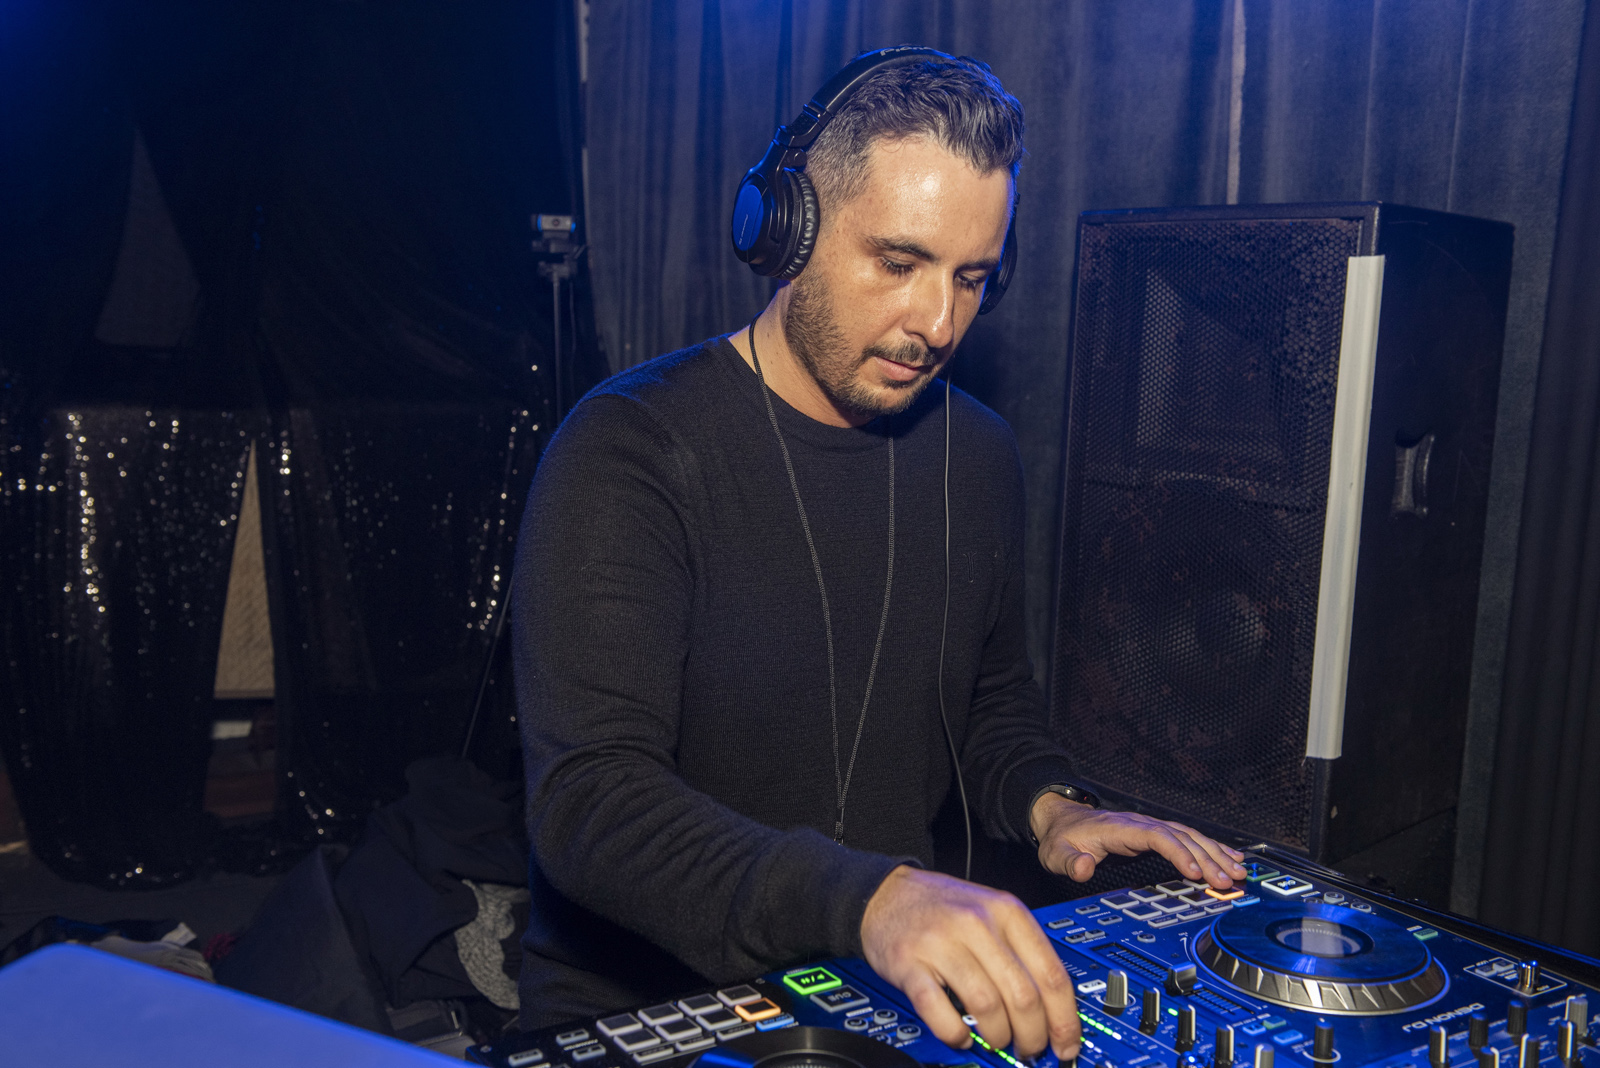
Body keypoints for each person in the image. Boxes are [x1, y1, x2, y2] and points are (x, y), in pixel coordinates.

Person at [511, 49, 1246, 1061]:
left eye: (971, 278)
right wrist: (871, 900)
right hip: (659, 1008)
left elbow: (989, 700)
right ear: (788, 231)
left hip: (886, 987)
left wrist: (1050, 809)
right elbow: (592, 804)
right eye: (899, 263)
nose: (936, 324)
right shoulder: (628, 449)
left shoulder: (978, 454)